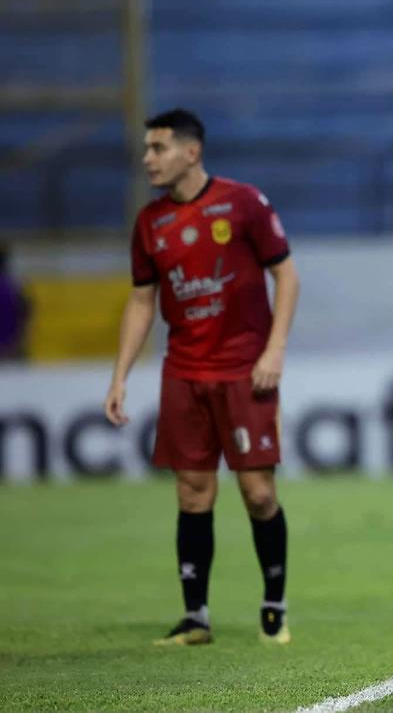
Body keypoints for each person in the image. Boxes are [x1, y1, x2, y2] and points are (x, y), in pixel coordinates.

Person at [103, 109, 300, 645]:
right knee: (192, 494)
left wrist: (274, 350)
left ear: (191, 152)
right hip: (184, 372)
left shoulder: (242, 203)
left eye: (158, 147)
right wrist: (119, 376)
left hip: (244, 370)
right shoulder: (150, 223)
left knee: (258, 493)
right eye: (147, 148)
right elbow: (142, 301)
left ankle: (273, 607)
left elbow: (285, 274)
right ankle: (196, 616)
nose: (148, 158)